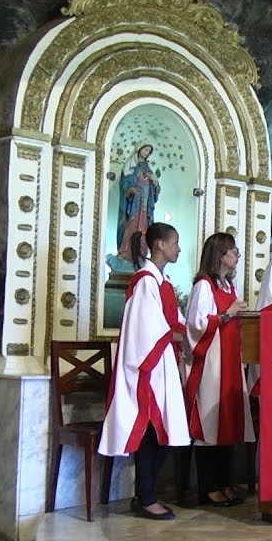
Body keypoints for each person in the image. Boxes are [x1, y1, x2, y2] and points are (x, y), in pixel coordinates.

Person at [99, 222, 190, 520]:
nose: (178, 248)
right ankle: (146, 497)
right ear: (160, 244)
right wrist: (176, 336)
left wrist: (180, 336)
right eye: (175, 242)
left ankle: (146, 494)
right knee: (151, 429)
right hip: (147, 369)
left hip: (163, 365)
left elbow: (174, 321)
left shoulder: (162, 282)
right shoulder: (145, 281)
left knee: (166, 428)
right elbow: (146, 328)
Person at [185, 233, 251, 507]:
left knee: (227, 424)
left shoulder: (227, 285)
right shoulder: (204, 285)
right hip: (213, 361)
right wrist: (228, 314)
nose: (237, 256)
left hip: (230, 360)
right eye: (233, 251)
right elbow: (196, 324)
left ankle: (224, 482)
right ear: (220, 255)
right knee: (211, 425)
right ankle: (208, 487)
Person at [115, 144, 161, 264]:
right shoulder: (131, 164)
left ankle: (141, 253)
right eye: (145, 150)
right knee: (131, 226)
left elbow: (154, 185)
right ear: (140, 149)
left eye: (149, 151)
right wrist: (130, 189)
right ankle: (125, 251)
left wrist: (155, 182)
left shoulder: (148, 166)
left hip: (145, 204)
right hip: (134, 204)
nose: (146, 153)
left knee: (143, 230)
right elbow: (124, 182)